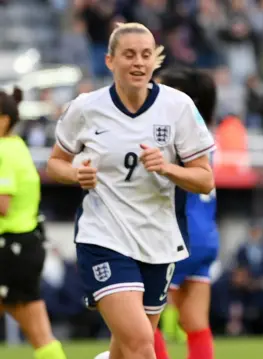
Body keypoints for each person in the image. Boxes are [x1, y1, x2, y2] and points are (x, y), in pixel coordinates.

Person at [46, 22, 215, 359]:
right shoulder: (85, 108)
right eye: (129, 55)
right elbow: (54, 164)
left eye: (145, 55)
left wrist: (167, 167)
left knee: (127, 347)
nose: (138, 62)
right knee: (141, 344)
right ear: (110, 61)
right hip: (104, 237)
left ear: (155, 61)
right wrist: (76, 172)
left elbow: (205, 179)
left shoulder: (178, 107)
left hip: (159, 240)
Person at [152, 66, 219, 359]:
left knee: (141, 317)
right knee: (195, 322)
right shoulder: (202, 130)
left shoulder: (178, 131)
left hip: (180, 235)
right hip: (206, 237)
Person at [0, 89, 68, 359]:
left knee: (39, 333)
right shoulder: (16, 145)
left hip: (9, 248)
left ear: (4, 120)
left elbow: (2, 205)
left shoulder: (3, 151)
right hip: (24, 245)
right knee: (41, 335)